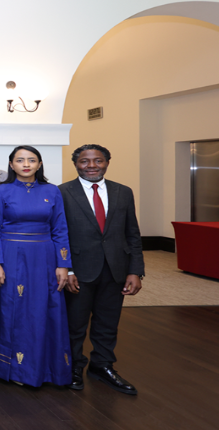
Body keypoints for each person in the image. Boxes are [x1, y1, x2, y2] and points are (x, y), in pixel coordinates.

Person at [0, 145, 71, 387]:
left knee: (41, 310)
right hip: (10, 257)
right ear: (11, 164)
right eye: (20, 160)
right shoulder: (1, 191)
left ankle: (44, 369)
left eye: (32, 160)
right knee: (11, 310)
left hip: (44, 258)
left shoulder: (52, 191)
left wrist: (63, 265)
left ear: (39, 164)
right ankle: (12, 369)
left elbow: (60, 229)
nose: (26, 164)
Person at [59, 144, 144, 395]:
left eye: (98, 160)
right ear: (76, 164)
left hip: (116, 269)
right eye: (85, 161)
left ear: (107, 162)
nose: (92, 166)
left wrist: (135, 271)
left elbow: (132, 233)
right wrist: (68, 269)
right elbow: (58, 235)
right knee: (75, 324)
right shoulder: (61, 192)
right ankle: (73, 367)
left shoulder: (123, 192)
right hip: (78, 271)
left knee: (108, 323)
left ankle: (102, 366)